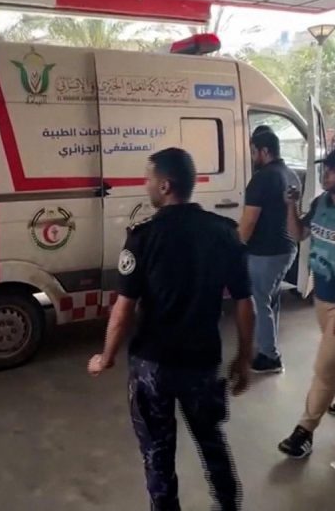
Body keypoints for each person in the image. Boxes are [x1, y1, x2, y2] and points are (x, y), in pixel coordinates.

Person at [87, 148, 255, 511]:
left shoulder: (143, 237)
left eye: (148, 179)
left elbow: (123, 309)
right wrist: (244, 358)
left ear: (165, 186)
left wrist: (106, 356)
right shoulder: (224, 232)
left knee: (158, 453)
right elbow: (245, 302)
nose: (145, 184)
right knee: (211, 440)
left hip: (154, 365)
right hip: (202, 361)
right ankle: (228, 504)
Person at [279, 145, 335, 459]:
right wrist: (291, 205)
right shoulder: (321, 203)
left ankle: (304, 431)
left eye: (334, 169)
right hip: (322, 294)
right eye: (326, 168)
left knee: (325, 368)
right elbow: (298, 233)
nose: (326, 174)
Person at [238, 129, 300, 374]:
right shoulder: (290, 174)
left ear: (264, 151)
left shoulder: (261, 178)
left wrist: (235, 247)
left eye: (254, 151)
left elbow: (249, 222)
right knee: (271, 300)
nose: (252, 156)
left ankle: (269, 357)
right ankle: (268, 346)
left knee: (259, 301)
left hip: (265, 252)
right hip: (287, 249)